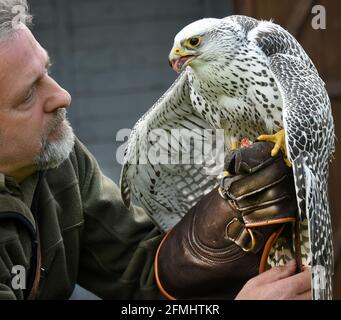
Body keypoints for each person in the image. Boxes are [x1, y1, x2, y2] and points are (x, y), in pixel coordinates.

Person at [0, 0, 310, 300]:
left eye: (47, 71)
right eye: (28, 94)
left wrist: (217, 229)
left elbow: (141, 270)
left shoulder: (55, 159)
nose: (62, 96)